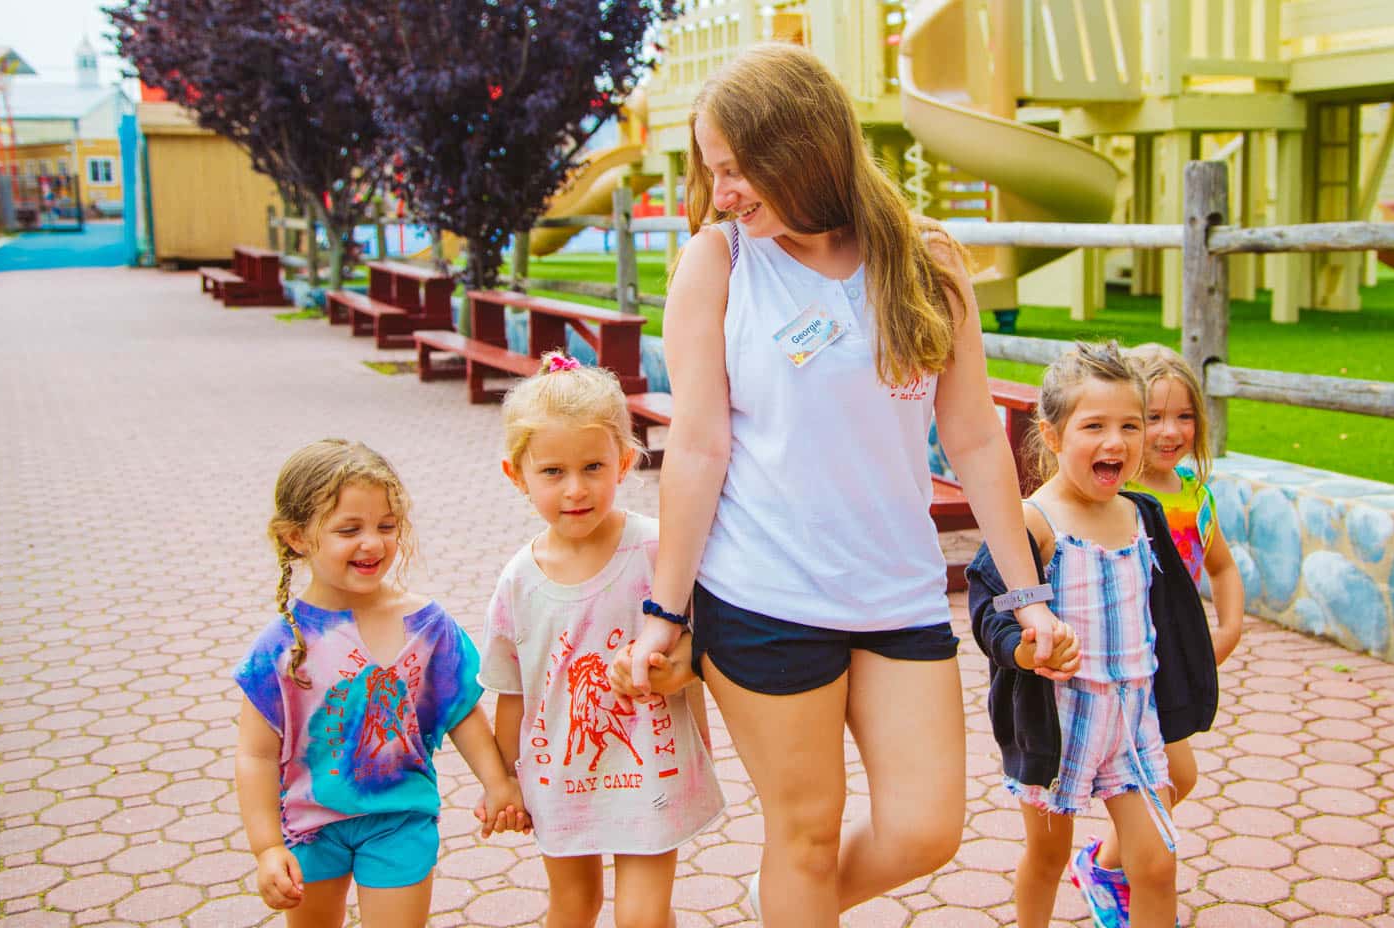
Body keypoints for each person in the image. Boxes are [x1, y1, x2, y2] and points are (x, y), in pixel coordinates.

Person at [611, 42, 1074, 928]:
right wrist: (665, 616)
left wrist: (1027, 596)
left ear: (804, 155)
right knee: (807, 838)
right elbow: (699, 448)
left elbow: (974, 436)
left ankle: (785, 908)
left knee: (925, 828)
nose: (723, 195)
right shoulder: (720, 263)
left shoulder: (928, 258)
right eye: (713, 173)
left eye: (738, 170)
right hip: (763, 595)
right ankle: (797, 897)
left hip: (897, 595)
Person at [966, 342, 1219, 928]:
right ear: (1052, 436)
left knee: (1157, 863)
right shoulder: (1032, 520)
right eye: (1095, 426)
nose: (1117, 442)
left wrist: (1196, 662)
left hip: (1133, 722)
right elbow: (990, 607)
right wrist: (1022, 649)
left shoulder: (1141, 514)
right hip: (1059, 722)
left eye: (1131, 426)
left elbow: (1169, 610)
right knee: (1049, 854)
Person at [234, 439, 524, 927]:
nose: (373, 542)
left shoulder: (427, 625)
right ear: (297, 537)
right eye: (349, 529)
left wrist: (499, 783)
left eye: (386, 527)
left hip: (400, 818)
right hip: (309, 827)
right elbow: (256, 754)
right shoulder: (280, 645)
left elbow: (462, 712)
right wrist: (266, 847)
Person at [480, 353, 724, 928]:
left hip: (652, 770)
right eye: (552, 472)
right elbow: (511, 692)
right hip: (559, 776)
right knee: (573, 906)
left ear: (624, 461)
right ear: (516, 475)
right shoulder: (518, 580)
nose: (575, 490)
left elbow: (700, 651)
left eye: (593, 466)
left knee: (641, 915)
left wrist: (704, 749)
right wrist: (504, 782)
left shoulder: (659, 550)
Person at [1064, 344, 1245, 926]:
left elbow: (1221, 567)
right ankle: (1114, 867)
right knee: (1172, 776)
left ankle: (1110, 863)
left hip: (1170, 660)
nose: (1171, 431)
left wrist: (1231, 627)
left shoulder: (1194, 494)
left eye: (1185, 416)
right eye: (1156, 417)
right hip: (1124, 664)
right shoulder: (1120, 496)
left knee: (1176, 776)